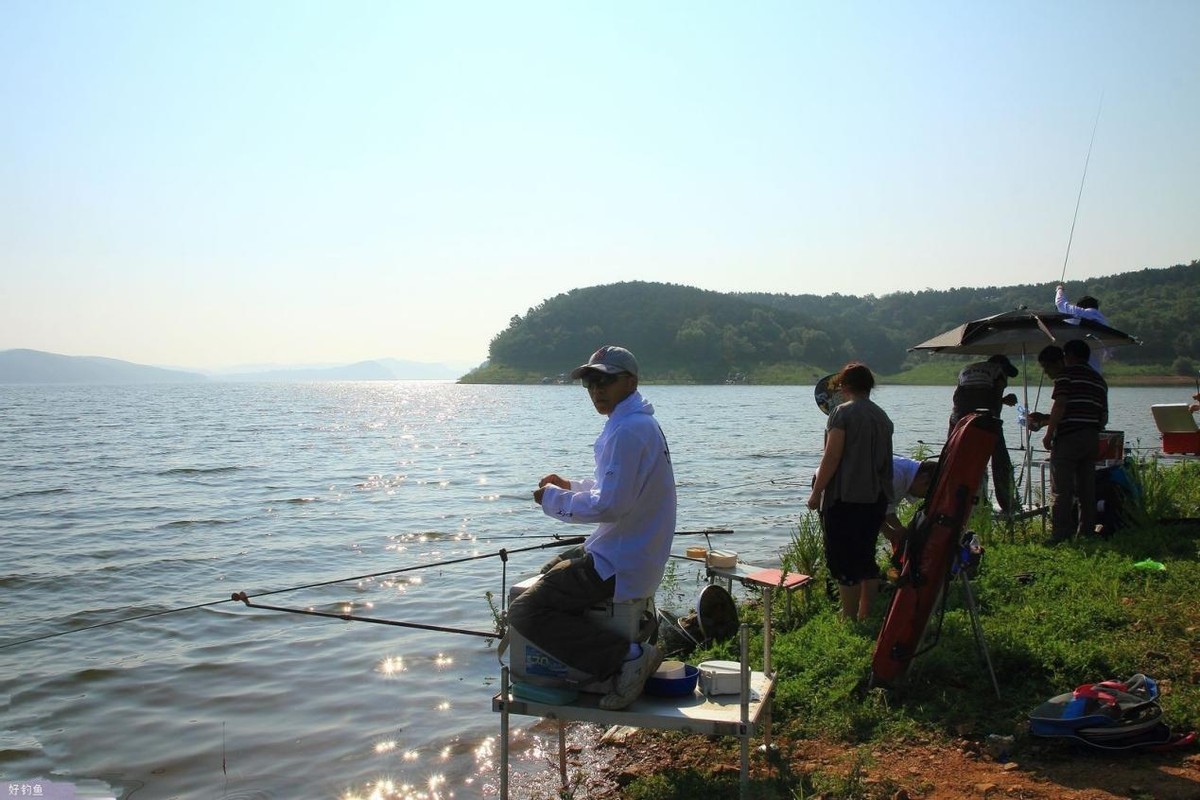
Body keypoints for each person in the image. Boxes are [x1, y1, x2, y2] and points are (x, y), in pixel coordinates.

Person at [506, 345, 676, 710]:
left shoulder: (628, 430)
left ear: (630, 382)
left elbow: (611, 505)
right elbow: (613, 489)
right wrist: (569, 487)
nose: (596, 389)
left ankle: (626, 657)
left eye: (605, 380)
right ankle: (590, 663)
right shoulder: (635, 423)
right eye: (590, 382)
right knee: (550, 571)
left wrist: (552, 500)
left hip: (622, 559)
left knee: (523, 611)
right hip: (631, 550)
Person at [807, 362, 894, 621]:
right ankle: (865, 614)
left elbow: (831, 457)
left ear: (844, 386)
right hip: (875, 498)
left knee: (843, 560)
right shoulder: (882, 417)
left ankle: (847, 618)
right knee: (865, 556)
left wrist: (816, 493)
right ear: (870, 386)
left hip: (845, 497)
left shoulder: (841, 413)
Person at [1037, 340, 1109, 543]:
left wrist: (1049, 433)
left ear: (1069, 355)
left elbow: (1060, 405)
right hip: (1091, 439)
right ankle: (1086, 532)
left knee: (1061, 490)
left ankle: (1060, 534)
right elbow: (1102, 416)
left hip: (1068, 439)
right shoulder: (1098, 380)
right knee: (1087, 490)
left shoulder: (1065, 376)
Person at [948, 354, 1020, 515]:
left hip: (958, 418)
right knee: (1001, 461)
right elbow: (993, 402)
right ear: (1004, 368)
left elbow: (964, 398)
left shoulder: (967, 370)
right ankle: (1008, 504)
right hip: (984, 415)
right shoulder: (998, 371)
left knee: (956, 459)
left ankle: (956, 500)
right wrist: (995, 429)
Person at [881, 456, 936, 553]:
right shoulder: (896, 476)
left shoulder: (906, 478)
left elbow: (887, 508)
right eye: (926, 493)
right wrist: (887, 531)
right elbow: (867, 507)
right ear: (924, 478)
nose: (923, 497)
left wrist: (899, 529)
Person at [1055, 284, 1110, 372]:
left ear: (1080, 307)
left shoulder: (1082, 313)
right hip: (1096, 372)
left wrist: (1059, 289)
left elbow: (1060, 303)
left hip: (1078, 370)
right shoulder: (1104, 321)